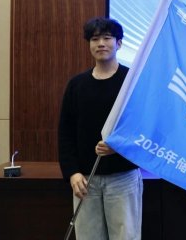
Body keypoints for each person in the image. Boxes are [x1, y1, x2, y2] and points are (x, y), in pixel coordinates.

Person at [58, 17, 143, 240]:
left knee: (125, 236)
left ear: (119, 43)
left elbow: (143, 127)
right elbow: (66, 132)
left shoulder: (131, 81)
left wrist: (119, 147)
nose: (101, 43)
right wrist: (72, 173)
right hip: (86, 180)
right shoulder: (77, 84)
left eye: (107, 38)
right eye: (95, 39)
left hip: (123, 177)